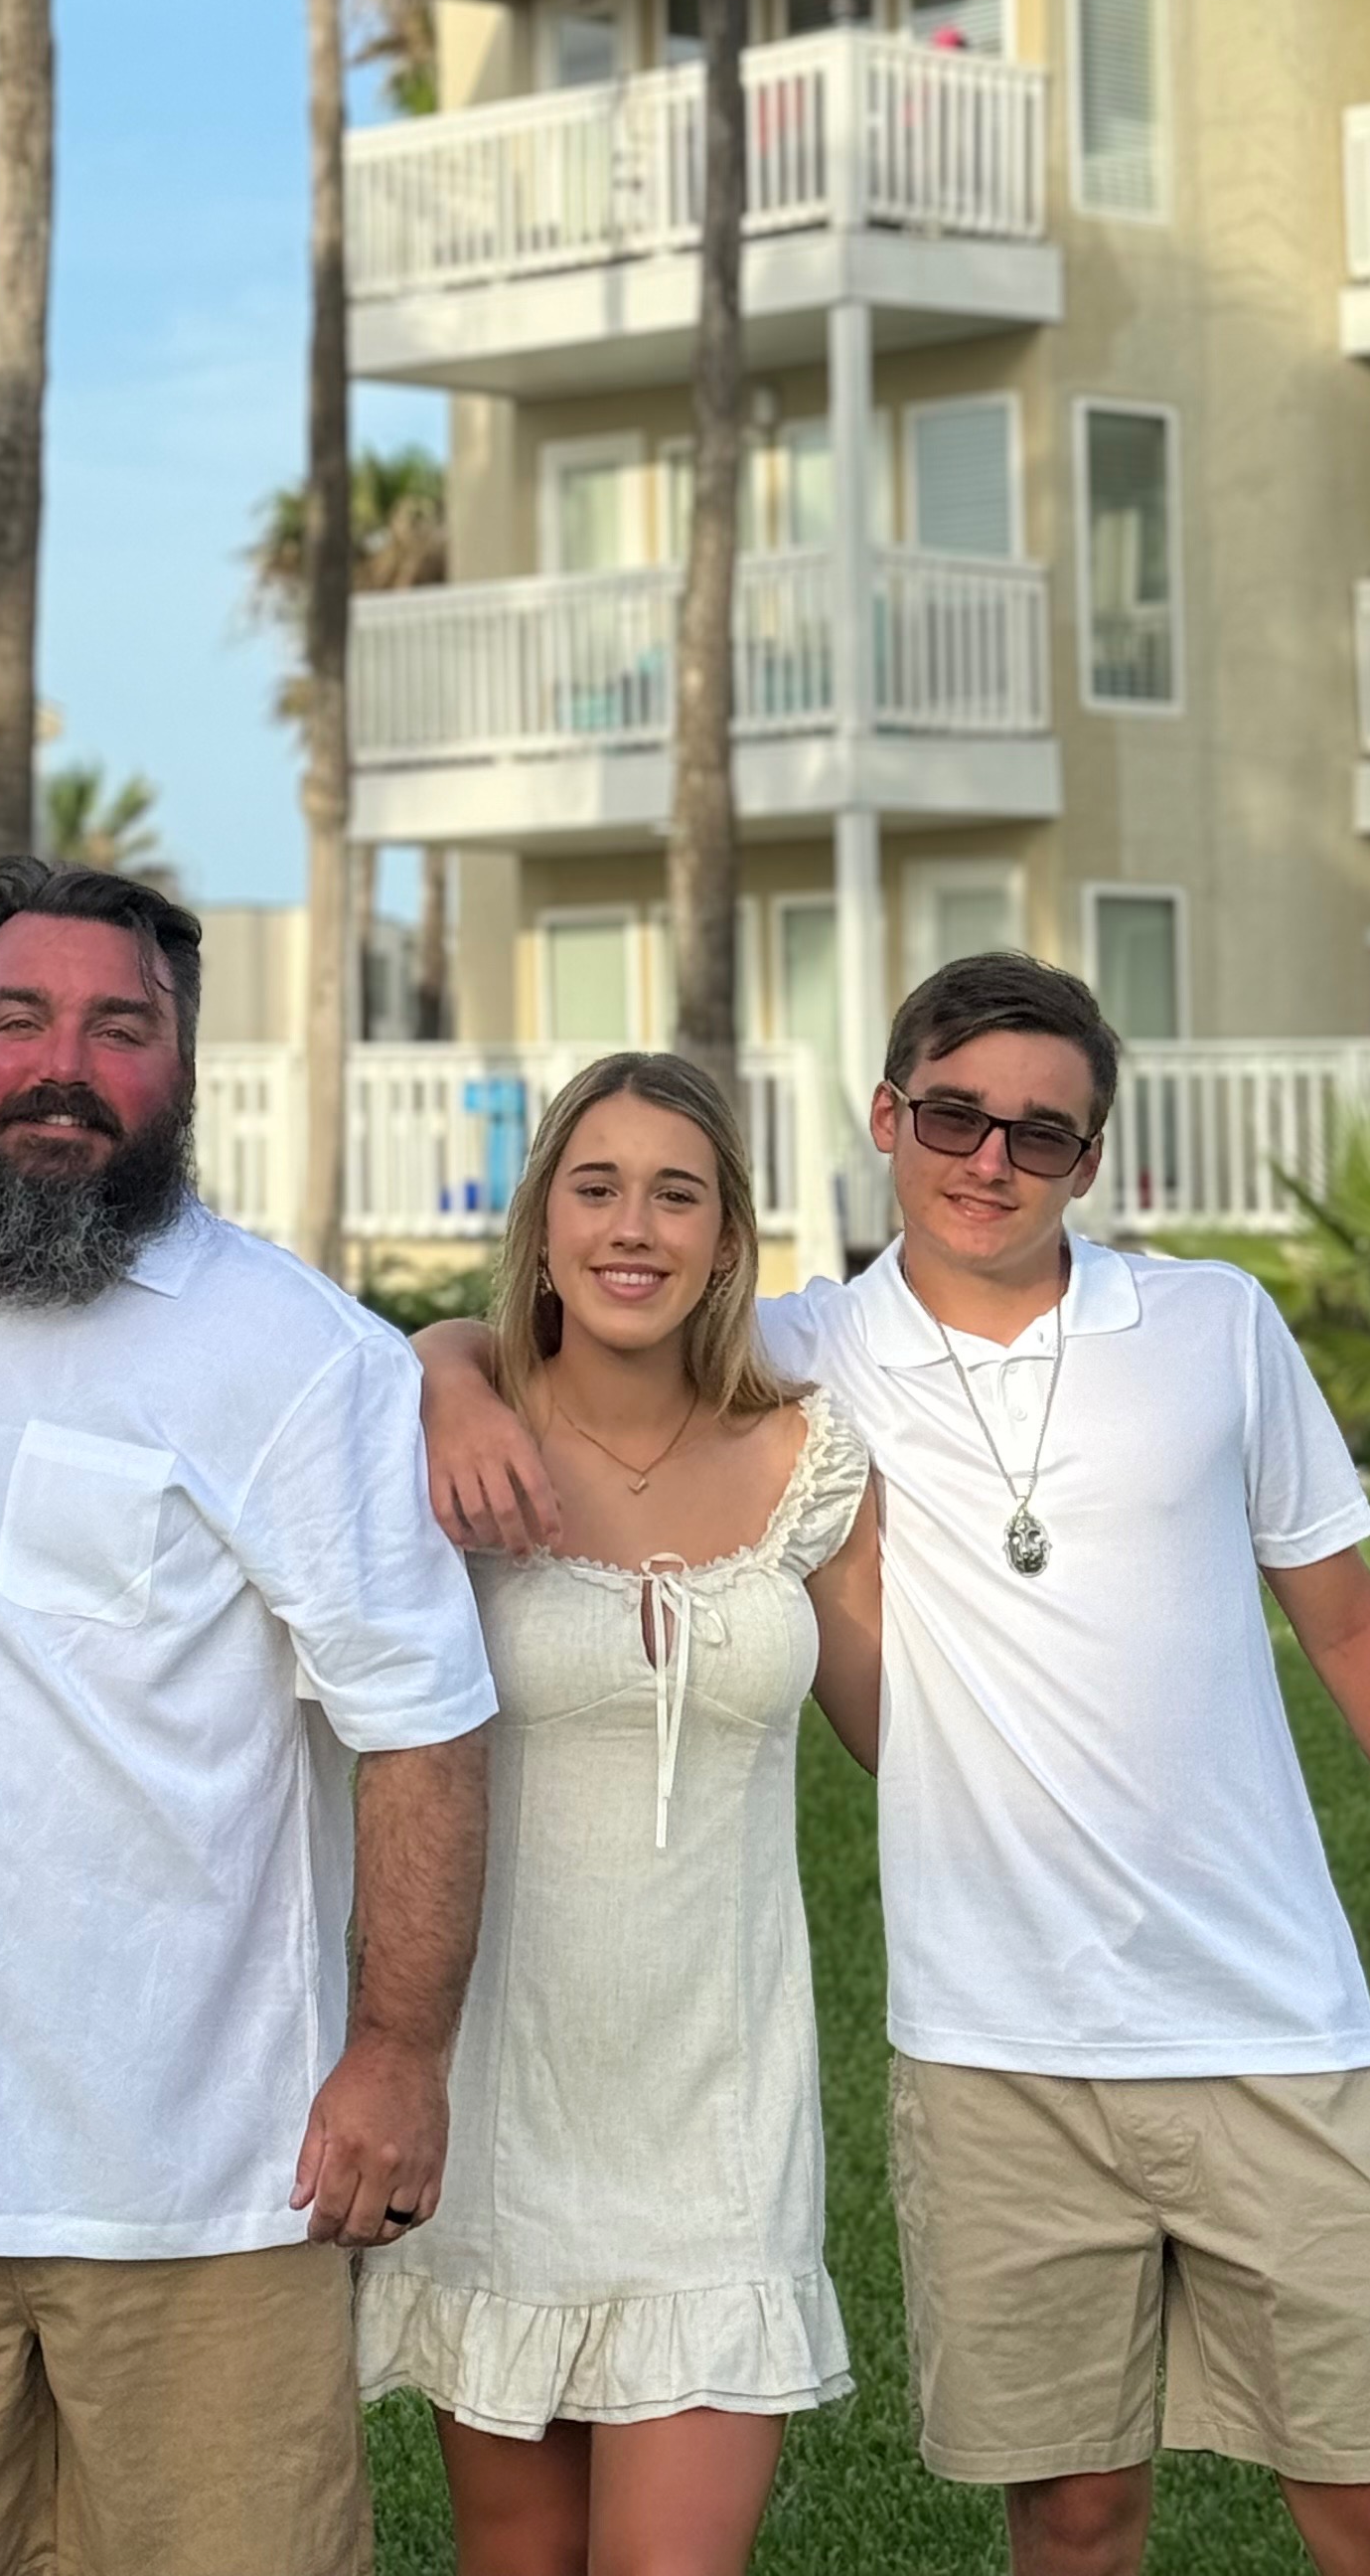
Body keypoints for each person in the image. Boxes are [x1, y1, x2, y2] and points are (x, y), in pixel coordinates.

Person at [423, 951, 1370, 2576]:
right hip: (988, 2044)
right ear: (887, 1117)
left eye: (1042, 1134)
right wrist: (444, 1372)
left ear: (1089, 1160)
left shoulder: (1214, 1327)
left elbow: (1354, 1625)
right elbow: (557, 1326)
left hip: (1266, 2014)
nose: (990, 1160)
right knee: (1075, 2516)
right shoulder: (807, 1355)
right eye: (955, 1115)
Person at [0, 854, 498, 2576]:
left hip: (196, 2192)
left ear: (183, 1069)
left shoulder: (296, 1354)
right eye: (19, 1017)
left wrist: (399, 2055)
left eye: (120, 1027)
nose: (63, 1065)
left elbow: (425, 1726)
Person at [361, 1049, 880, 2576]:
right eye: (595, 1189)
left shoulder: (812, 1460)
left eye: (676, 1195)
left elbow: (914, 1749)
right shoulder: (450, 1452)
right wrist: (448, 1375)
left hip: (720, 2116)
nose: (633, 1228)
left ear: (729, 1239)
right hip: (505, 2104)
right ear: (543, 1224)